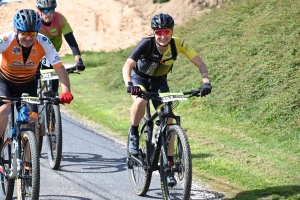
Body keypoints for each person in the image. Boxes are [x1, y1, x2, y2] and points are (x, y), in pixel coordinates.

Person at [122, 13, 212, 159]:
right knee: (141, 101)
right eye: (158, 32)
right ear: (154, 33)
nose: (162, 36)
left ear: (172, 31)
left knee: (168, 118)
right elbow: (127, 66)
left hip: (159, 82)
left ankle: (169, 161)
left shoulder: (179, 44)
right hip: (140, 80)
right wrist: (130, 84)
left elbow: (201, 64)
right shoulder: (146, 43)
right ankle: (134, 133)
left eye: (167, 32)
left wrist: (206, 82)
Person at [0, 9, 73, 177]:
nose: (28, 37)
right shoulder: (6, 39)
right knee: (4, 109)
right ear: (16, 30)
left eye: (32, 33)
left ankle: (27, 163)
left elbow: (59, 67)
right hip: (5, 82)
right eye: (24, 32)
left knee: (32, 120)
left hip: (27, 85)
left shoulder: (44, 41)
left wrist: (66, 91)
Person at [36, 0, 85, 93]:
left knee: (54, 84)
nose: (48, 14)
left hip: (52, 52)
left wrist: (79, 60)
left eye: (51, 10)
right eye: (45, 11)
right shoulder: (34, 20)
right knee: (33, 77)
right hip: (36, 52)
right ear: (39, 11)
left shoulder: (60, 18)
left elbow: (71, 40)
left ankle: (53, 99)